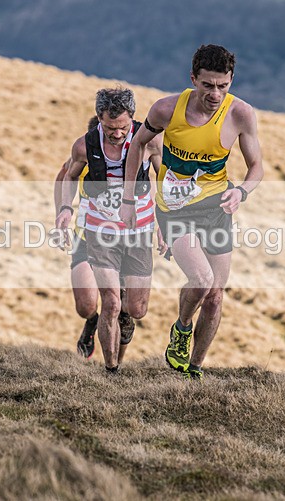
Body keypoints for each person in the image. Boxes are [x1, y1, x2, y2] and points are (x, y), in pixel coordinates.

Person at [120, 44, 264, 380]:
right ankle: (182, 328)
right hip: (174, 210)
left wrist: (242, 192)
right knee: (201, 279)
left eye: (223, 86)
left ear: (231, 81)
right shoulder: (166, 109)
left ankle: (194, 369)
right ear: (193, 79)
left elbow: (257, 166)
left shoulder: (240, 114)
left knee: (214, 297)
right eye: (208, 85)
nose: (215, 94)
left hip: (216, 209)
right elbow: (137, 144)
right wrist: (129, 199)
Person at [56, 87, 163, 373]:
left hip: (138, 230)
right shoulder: (84, 146)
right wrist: (65, 209)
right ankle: (111, 369)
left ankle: (125, 317)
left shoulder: (150, 141)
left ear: (133, 118)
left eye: (123, 127)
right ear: (99, 119)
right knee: (110, 302)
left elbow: (163, 178)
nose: (116, 133)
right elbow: (68, 176)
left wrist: (165, 222)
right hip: (98, 230)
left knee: (137, 309)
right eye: (109, 127)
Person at [53, 116, 100, 358]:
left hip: (125, 239)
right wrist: (61, 213)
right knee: (85, 306)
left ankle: (114, 366)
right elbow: (63, 177)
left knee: (123, 307)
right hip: (86, 237)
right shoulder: (82, 156)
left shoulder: (131, 156)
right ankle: (91, 321)